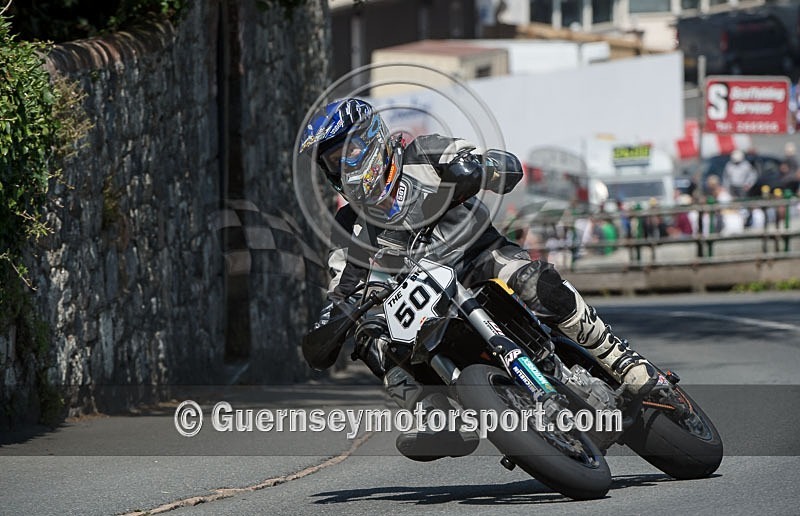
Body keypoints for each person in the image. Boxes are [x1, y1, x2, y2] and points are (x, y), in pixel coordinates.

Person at [298, 98, 658, 461]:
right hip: (425, 303)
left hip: (480, 259)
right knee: (370, 337)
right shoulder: (349, 229)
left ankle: (620, 358)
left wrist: (479, 169)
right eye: (332, 162)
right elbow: (341, 290)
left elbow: (502, 165)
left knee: (534, 280)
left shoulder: (423, 154)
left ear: (371, 137)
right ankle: (434, 415)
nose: (342, 167)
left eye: (348, 152)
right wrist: (329, 328)